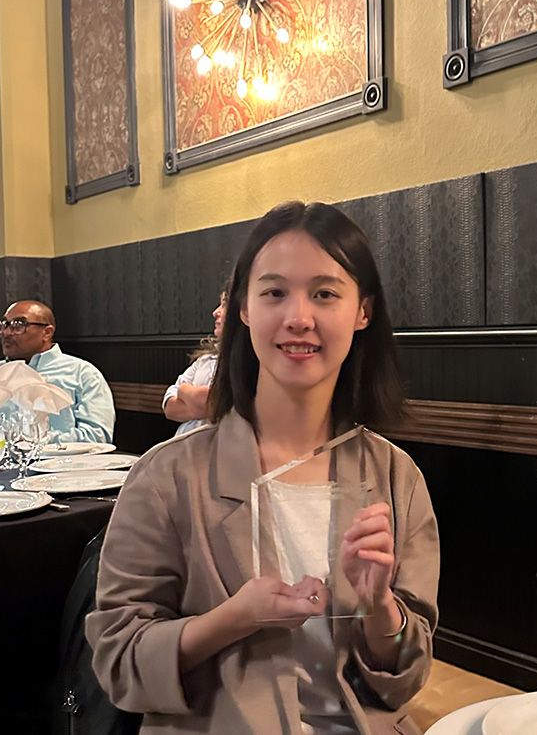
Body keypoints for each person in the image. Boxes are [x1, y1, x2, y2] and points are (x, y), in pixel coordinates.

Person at [87, 202, 439, 735]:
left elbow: (405, 678)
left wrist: (378, 605)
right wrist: (233, 618)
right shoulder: (167, 478)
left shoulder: (396, 476)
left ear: (362, 311)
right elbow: (119, 663)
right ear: (244, 309)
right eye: (274, 292)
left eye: (325, 293)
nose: (299, 316)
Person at [0, 300, 115, 443]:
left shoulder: (82, 373)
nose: (6, 332)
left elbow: (97, 436)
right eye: (4, 325)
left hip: (62, 463)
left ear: (47, 332)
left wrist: (36, 442)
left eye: (18, 325)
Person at [162, 290, 227, 435]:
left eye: (224, 305)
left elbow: (207, 402)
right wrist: (195, 400)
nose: (215, 312)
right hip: (183, 449)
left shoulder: (250, 359)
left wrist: (184, 390)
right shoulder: (205, 358)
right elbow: (169, 407)